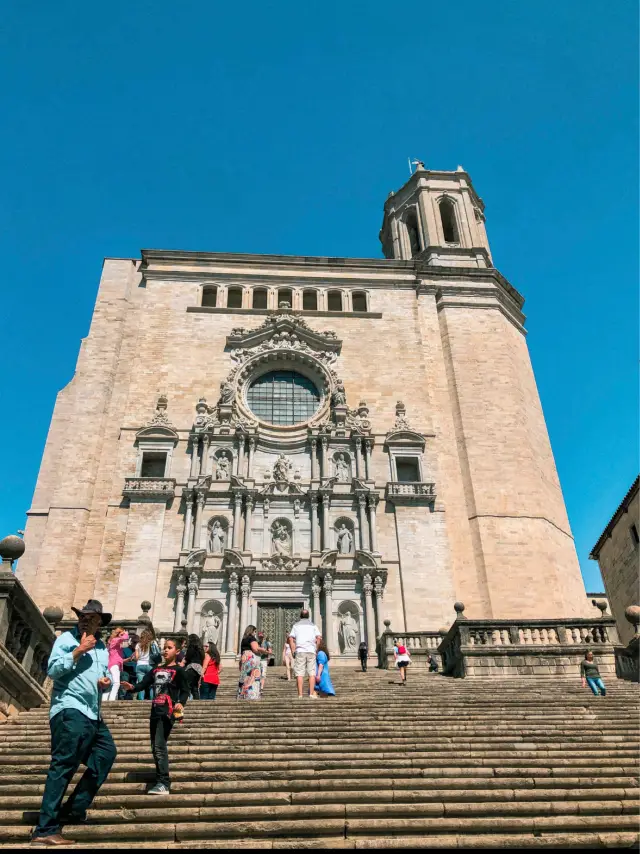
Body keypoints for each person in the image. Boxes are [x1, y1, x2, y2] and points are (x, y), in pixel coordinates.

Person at [31, 599, 117, 845]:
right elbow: (53, 670)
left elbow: (105, 674)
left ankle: (73, 809)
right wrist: (79, 651)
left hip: (93, 713)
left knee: (107, 754)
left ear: (99, 623)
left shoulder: (100, 647)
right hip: (70, 709)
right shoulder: (66, 641)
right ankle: (45, 829)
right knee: (64, 765)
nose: (85, 621)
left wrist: (106, 682)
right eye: (82, 617)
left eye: (91, 618)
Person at [121, 638, 189, 795]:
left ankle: (163, 782)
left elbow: (185, 690)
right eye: (164, 648)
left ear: (177, 651)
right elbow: (142, 684)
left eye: (169, 648)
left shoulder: (179, 671)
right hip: (155, 711)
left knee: (159, 746)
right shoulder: (155, 670)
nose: (165, 650)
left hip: (167, 712)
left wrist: (181, 703)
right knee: (156, 746)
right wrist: (131, 687)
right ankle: (161, 780)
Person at [288, 609, 322, 699]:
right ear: (308, 616)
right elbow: (318, 638)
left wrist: (292, 650)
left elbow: (291, 638)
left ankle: (300, 695)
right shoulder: (313, 625)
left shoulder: (296, 626)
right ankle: (311, 694)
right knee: (312, 673)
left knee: (299, 673)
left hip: (300, 651)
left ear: (300, 616)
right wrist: (316, 649)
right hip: (311, 651)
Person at [237, 625, 269, 700]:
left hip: (244, 659)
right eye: (255, 631)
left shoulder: (244, 639)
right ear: (251, 631)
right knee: (253, 676)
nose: (255, 633)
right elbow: (255, 649)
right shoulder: (251, 638)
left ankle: (242, 695)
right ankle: (251, 695)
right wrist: (264, 650)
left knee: (245, 677)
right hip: (251, 659)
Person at [106, 626, 129, 702]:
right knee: (116, 683)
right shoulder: (115, 640)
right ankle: (111, 700)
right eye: (121, 633)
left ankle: (107, 699)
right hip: (114, 664)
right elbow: (126, 637)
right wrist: (124, 632)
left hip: (114, 664)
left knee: (112, 683)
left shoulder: (114, 641)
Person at [135, 629, 158, 700]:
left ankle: (141, 700)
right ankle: (151, 700)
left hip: (139, 665)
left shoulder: (138, 645)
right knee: (151, 684)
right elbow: (157, 653)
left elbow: (137, 657)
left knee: (141, 684)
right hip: (149, 665)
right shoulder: (153, 643)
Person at [184, 634, 204, 700]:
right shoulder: (201, 648)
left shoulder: (192, 646)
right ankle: (197, 700)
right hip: (199, 669)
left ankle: (183, 700)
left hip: (192, 667)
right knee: (195, 687)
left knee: (187, 685)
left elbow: (188, 656)